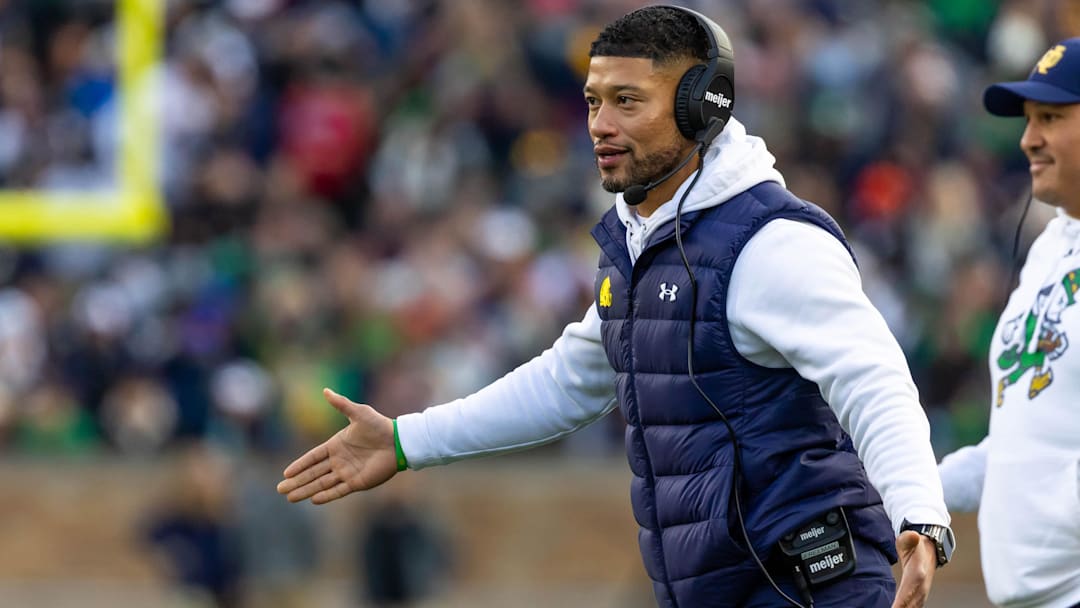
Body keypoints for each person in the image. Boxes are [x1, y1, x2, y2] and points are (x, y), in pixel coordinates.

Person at [278, 6, 953, 607]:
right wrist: (404, 441)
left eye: (627, 101)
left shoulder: (771, 243)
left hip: (808, 584)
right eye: (594, 100)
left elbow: (872, 379)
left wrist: (919, 513)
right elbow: (570, 381)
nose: (599, 124)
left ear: (700, 107)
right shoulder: (644, 239)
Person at [938, 37, 1080, 608]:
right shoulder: (1050, 244)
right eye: (1028, 119)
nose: (1029, 139)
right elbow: (1023, 445)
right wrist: (913, 492)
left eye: (1051, 117)